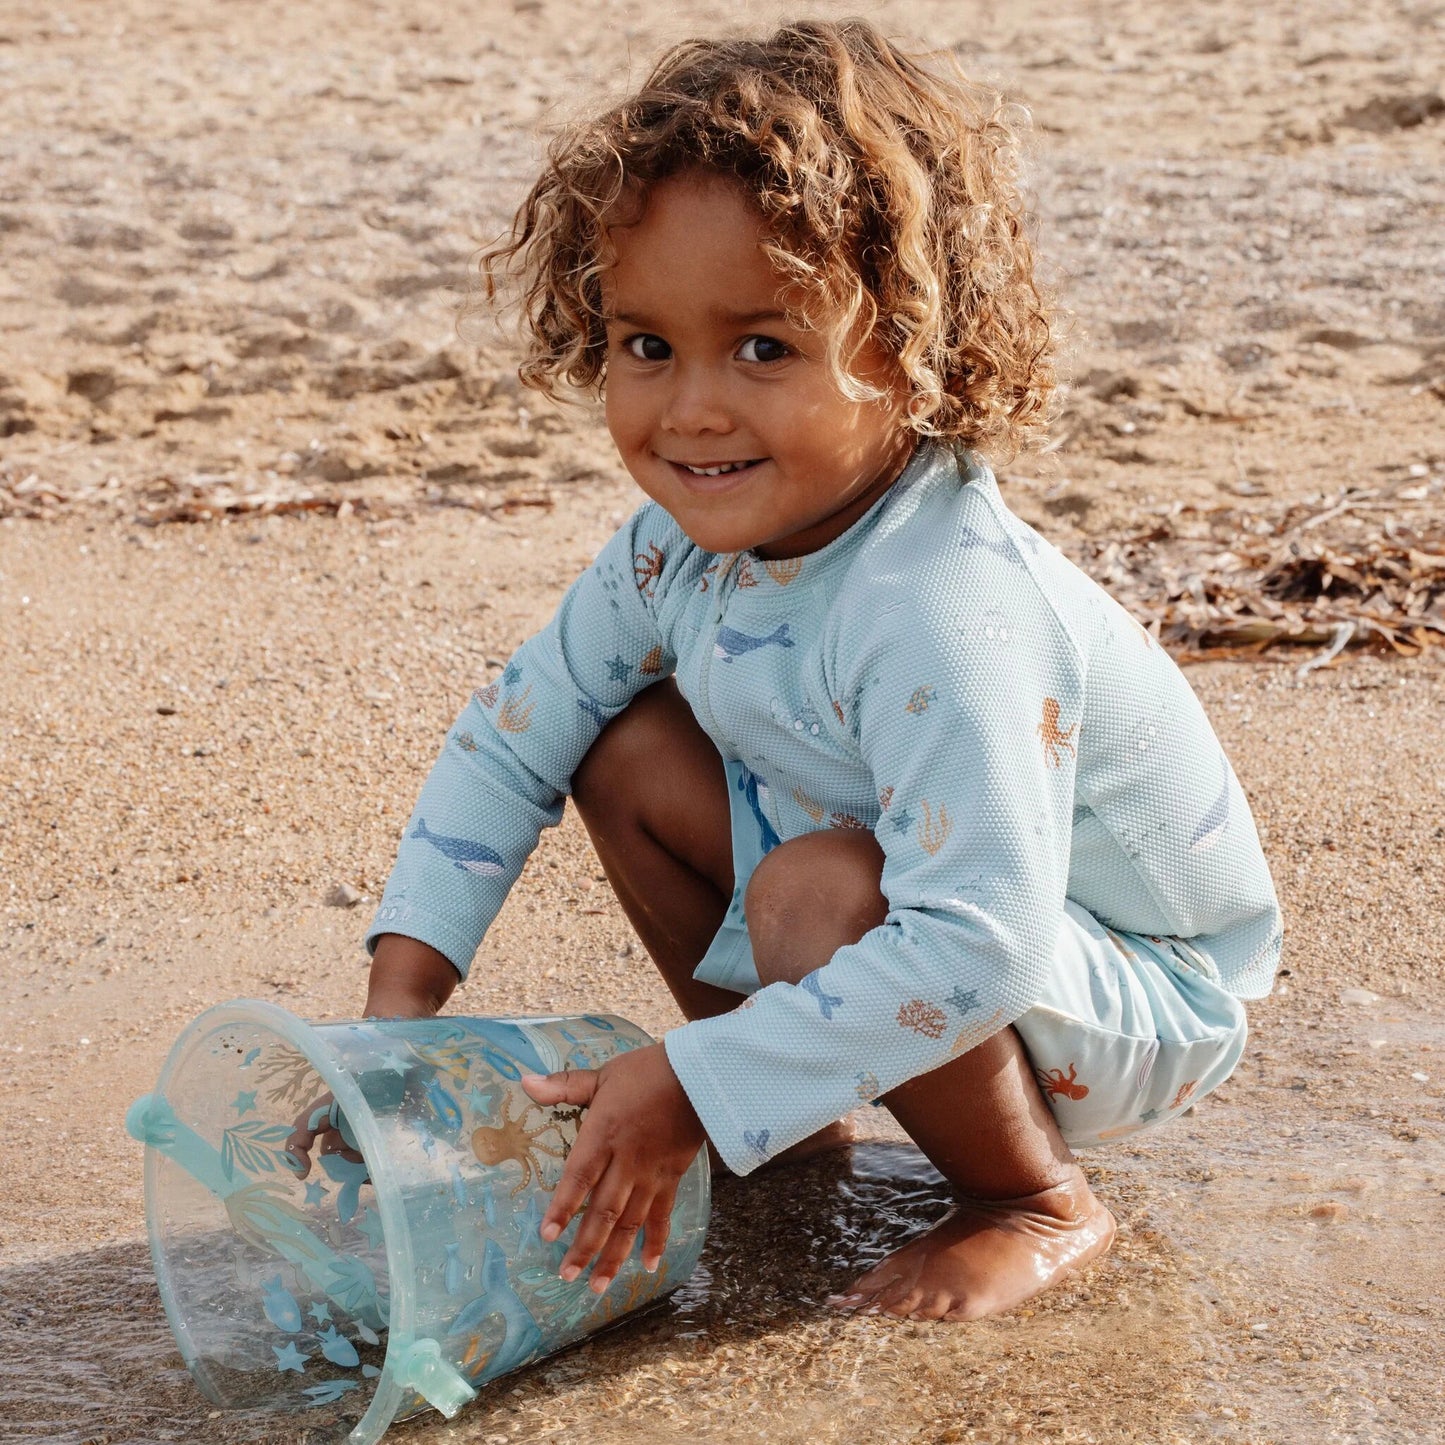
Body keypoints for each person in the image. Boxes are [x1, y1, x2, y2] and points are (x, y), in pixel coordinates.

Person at [358, 19, 1282, 1323]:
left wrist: (694, 1072)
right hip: (925, 909)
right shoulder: (668, 551)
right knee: (617, 743)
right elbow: (513, 734)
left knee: (814, 891)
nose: (690, 409)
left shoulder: (944, 602)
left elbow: (982, 935)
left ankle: (1030, 1197)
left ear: (907, 346)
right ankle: (785, 1118)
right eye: (644, 345)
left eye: (762, 347)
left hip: (1130, 992)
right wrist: (398, 1009)